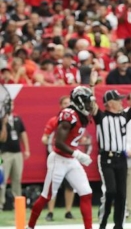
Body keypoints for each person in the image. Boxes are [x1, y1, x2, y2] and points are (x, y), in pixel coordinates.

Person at [90, 69, 131, 229]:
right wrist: (92, 85)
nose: (122, 102)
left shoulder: (124, 116)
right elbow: (91, 105)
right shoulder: (101, 117)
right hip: (106, 159)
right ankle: (103, 222)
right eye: (118, 100)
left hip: (121, 159)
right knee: (110, 191)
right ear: (109, 103)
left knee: (121, 194)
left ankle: (119, 225)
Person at [27, 86, 94, 229]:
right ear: (80, 101)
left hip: (70, 160)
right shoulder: (69, 115)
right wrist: (77, 154)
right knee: (47, 196)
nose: (90, 104)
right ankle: (30, 226)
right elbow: (58, 142)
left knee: (86, 193)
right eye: (88, 101)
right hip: (59, 159)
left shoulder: (81, 114)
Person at [41, 95, 75, 221]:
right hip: (56, 155)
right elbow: (45, 136)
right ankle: (50, 212)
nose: (67, 105)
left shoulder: (75, 121)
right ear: (60, 106)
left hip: (70, 157)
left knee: (70, 185)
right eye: (64, 103)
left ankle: (68, 211)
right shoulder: (54, 120)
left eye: (69, 103)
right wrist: (45, 140)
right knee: (53, 185)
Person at [0, 100, 30, 211]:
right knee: (2, 179)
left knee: (17, 179)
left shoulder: (17, 118)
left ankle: (18, 203)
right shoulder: (1, 119)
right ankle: (1, 204)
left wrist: (26, 149)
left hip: (17, 152)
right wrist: (3, 124)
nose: (10, 107)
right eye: (8, 104)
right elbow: (2, 138)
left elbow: (23, 133)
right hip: (4, 153)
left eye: (12, 104)